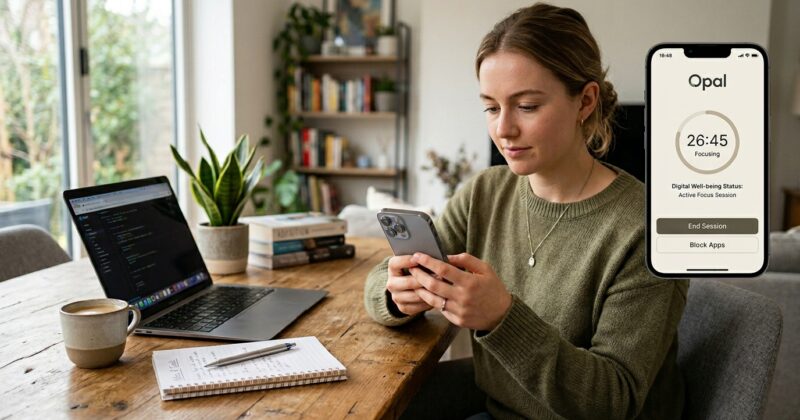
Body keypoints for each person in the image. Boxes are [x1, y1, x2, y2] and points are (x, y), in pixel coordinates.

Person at [363, 3, 689, 419]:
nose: (504, 129)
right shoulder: (486, 192)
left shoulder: (648, 230)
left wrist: (502, 318)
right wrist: (396, 294)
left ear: (585, 101)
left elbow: (614, 401)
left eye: (528, 106)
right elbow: (378, 282)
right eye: (491, 107)